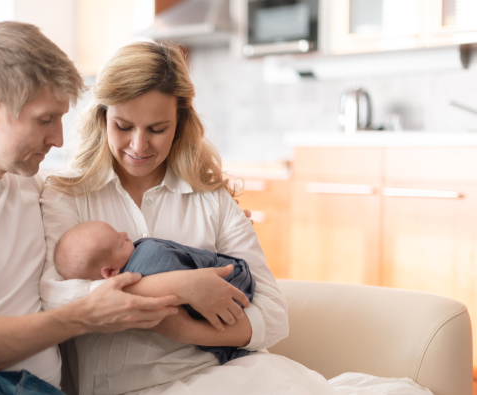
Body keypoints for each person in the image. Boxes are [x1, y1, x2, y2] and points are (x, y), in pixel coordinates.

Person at [0, 22, 255, 395]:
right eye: (46, 119)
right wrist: (79, 317)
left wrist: (217, 215)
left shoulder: (34, 184)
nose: (58, 139)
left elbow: (100, 193)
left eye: (61, 119)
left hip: (40, 389)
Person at [40, 41, 336, 395]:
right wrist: (180, 287)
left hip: (233, 377)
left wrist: (185, 330)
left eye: (157, 129)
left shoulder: (210, 198)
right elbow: (54, 298)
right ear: (102, 117)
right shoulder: (66, 196)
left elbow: (273, 317)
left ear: (180, 122)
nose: (138, 145)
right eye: (123, 126)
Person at [40, 220, 256, 364]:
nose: (126, 234)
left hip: (231, 298)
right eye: (119, 241)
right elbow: (55, 296)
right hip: (233, 284)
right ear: (110, 271)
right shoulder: (148, 258)